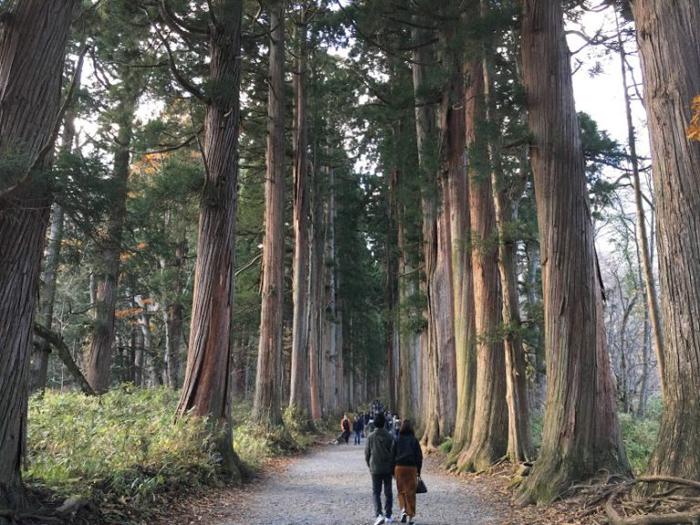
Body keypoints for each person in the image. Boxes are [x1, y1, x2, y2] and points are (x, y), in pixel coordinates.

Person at [365, 412, 395, 525]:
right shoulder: (390, 436)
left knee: (376, 492)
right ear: (384, 423)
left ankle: (379, 514)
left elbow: (367, 453)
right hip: (387, 468)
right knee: (388, 492)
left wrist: (370, 465)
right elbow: (393, 453)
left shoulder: (370, 437)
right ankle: (388, 515)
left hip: (375, 468)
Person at [391, 419, 422, 524]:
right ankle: (410, 516)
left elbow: (392, 455)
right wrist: (418, 471)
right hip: (411, 468)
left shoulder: (397, 439)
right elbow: (419, 457)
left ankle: (403, 510)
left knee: (401, 491)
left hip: (399, 467)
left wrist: (392, 471)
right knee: (411, 492)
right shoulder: (414, 440)